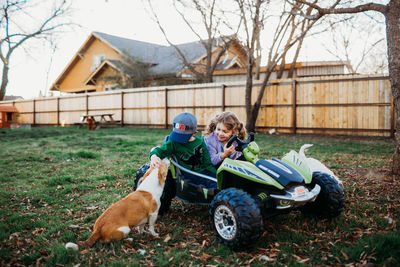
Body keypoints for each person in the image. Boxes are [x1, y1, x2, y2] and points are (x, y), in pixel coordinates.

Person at [149, 112, 217, 188]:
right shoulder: (173, 142)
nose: (178, 139)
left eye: (183, 136)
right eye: (177, 135)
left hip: (202, 171)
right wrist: (154, 156)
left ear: (194, 133)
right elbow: (160, 151)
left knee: (215, 179)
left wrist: (215, 173)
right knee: (208, 183)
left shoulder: (200, 142)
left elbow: (207, 162)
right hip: (187, 173)